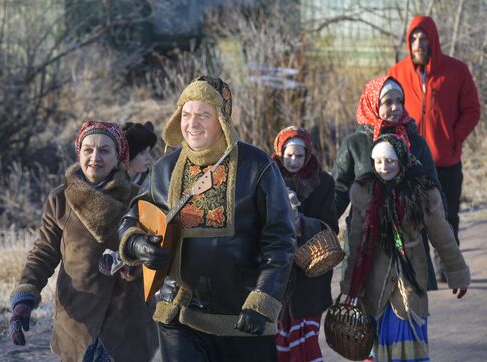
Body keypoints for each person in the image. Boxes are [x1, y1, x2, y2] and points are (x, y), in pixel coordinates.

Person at [117, 75, 296, 361]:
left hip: (245, 320)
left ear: (222, 119)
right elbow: (131, 219)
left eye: (203, 114)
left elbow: (280, 240)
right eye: (186, 114)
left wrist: (261, 302)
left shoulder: (257, 166)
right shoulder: (164, 169)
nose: (192, 123)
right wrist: (137, 244)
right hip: (180, 315)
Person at [9, 120, 157, 362]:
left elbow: (155, 252)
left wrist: (132, 264)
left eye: (104, 150)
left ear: (119, 155)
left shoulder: (138, 199)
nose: (95, 157)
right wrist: (24, 298)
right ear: (79, 152)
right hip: (77, 322)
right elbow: (44, 252)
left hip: (128, 324)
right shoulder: (60, 199)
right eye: (88, 149)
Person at [341, 133, 470, 362]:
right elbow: (355, 241)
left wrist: (457, 273)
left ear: (401, 159)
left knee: (408, 331)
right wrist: (350, 283)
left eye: (390, 161)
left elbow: (442, 236)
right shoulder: (365, 191)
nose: (384, 167)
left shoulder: (421, 191)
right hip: (374, 280)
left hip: (409, 278)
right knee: (378, 340)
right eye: (378, 162)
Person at [387, 15, 481, 280]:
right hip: (410, 161)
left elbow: (472, 110)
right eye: (413, 39)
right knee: (414, 217)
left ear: (433, 41)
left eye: (423, 39)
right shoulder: (397, 73)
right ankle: (420, 268)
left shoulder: (456, 70)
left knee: (448, 215)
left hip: (446, 160)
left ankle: (449, 267)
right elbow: (386, 110)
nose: (418, 44)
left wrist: (454, 138)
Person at [333, 75, 441, 291]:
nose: (395, 107)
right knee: (369, 307)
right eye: (388, 102)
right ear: (373, 103)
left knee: (407, 309)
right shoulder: (355, 144)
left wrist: (442, 238)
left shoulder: (415, 142)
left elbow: (433, 189)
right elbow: (339, 190)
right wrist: (320, 224)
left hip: (408, 236)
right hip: (366, 236)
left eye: (399, 101)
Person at [271, 126, 338, 362]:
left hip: (311, 271)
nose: (294, 161)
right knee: (279, 338)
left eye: (299, 156)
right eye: (288, 155)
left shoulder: (323, 183)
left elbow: (330, 227)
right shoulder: (268, 179)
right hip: (277, 273)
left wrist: (304, 225)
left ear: (308, 154)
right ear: (279, 152)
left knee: (306, 336)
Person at [123, 121, 158, 185]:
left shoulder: (151, 183)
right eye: (142, 153)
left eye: (149, 152)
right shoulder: (108, 183)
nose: (149, 158)